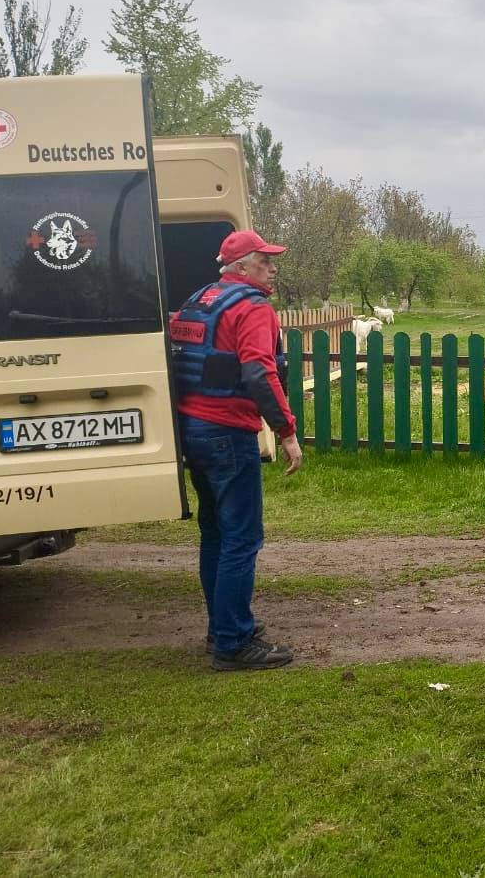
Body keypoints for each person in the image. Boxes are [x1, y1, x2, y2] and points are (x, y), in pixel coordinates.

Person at [170, 230, 304, 672]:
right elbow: (259, 372)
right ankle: (232, 643)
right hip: (227, 433)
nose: (272, 267)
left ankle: (222, 624)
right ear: (241, 267)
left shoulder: (198, 301)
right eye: (264, 260)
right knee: (242, 538)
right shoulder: (252, 308)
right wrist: (286, 431)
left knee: (216, 534)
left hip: (193, 430)